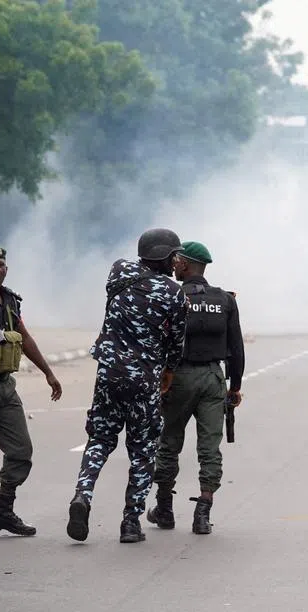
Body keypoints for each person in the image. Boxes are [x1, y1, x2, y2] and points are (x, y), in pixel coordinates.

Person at [66, 228, 187, 544]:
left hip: (108, 374)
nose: (178, 261)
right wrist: (169, 372)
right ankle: (131, 522)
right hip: (144, 379)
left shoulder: (119, 270)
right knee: (143, 450)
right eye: (174, 255)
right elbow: (176, 343)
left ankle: (83, 494)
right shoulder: (174, 293)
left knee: (99, 439)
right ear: (163, 255)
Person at [148, 241, 245, 535]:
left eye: (177, 260)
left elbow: (158, 342)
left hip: (177, 378)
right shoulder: (225, 300)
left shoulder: (171, 296)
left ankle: (164, 508)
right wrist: (235, 387)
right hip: (213, 379)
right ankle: (203, 512)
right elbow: (236, 348)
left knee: (169, 443)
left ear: (187, 265)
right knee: (209, 447)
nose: (173, 264)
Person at [0, 244, 63, 540]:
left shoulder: (10, 300)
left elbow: (23, 337)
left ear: (6, 269)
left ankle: (3, 510)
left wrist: (48, 372)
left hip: (4, 384)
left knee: (21, 451)